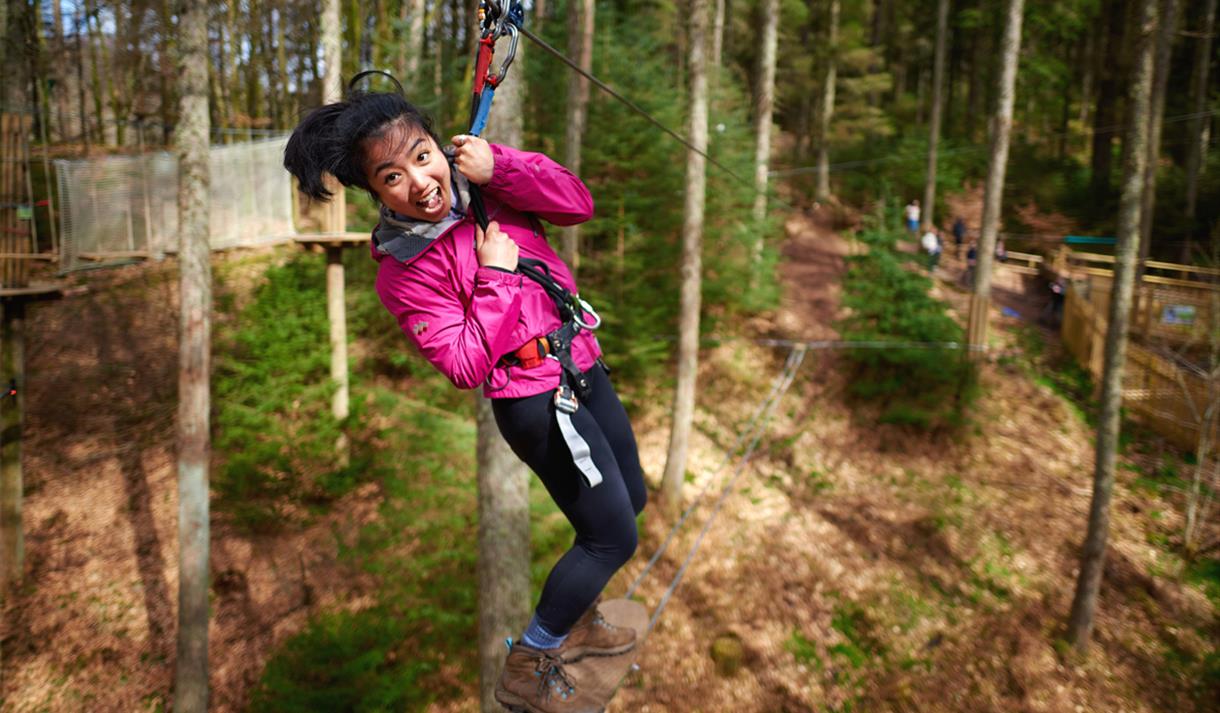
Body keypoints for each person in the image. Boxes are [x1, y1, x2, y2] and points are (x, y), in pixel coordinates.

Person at [284, 83, 646, 712]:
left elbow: (577, 204)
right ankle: (530, 670)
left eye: (422, 156)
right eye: (391, 176)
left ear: (439, 148)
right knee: (610, 537)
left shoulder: (487, 187)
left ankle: (572, 632)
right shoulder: (403, 270)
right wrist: (496, 280)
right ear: (376, 192)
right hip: (536, 400)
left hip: (581, 363)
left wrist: (501, 164)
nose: (419, 183)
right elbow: (462, 363)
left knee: (632, 501)